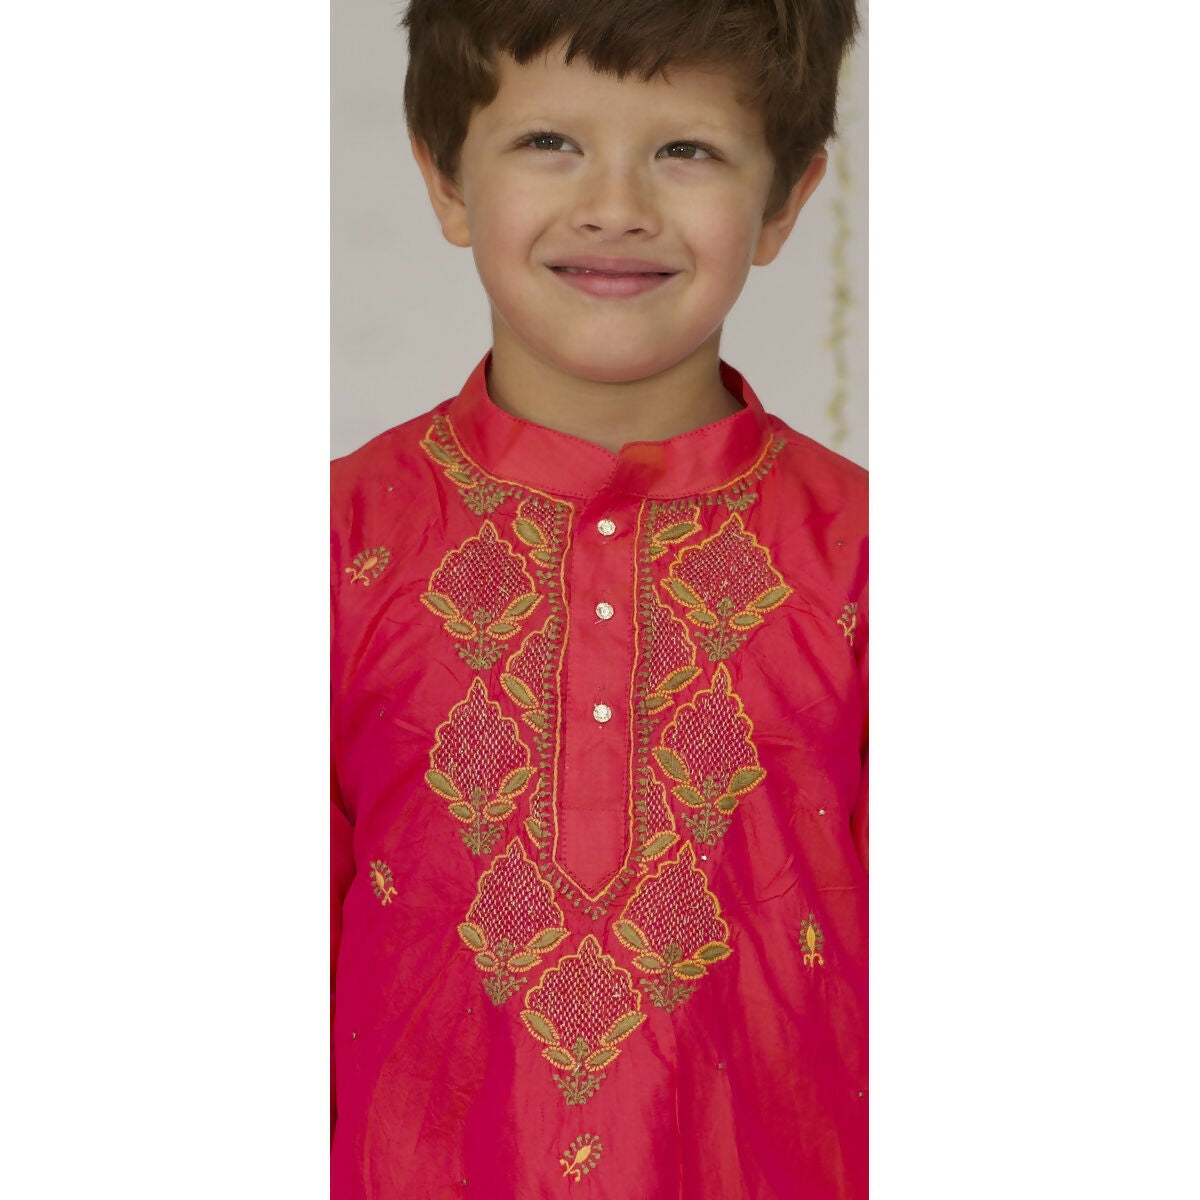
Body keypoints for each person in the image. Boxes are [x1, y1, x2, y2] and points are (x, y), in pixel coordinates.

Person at [331, 2, 865, 1195]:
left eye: (686, 150)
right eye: (549, 143)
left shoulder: (868, 560)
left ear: (785, 201)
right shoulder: (334, 545)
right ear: (446, 179)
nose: (615, 204)